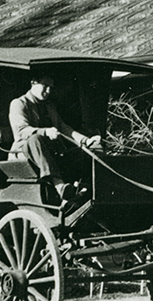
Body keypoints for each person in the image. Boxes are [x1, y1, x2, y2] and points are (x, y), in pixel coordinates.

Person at [9, 75, 101, 208]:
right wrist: (45, 131)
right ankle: (59, 186)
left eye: (50, 88)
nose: (48, 91)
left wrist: (86, 141)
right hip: (24, 150)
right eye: (45, 86)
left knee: (84, 152)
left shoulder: (49, 106)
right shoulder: (19, 103)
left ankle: (81, 190)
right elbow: (22, 131)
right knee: (36, 139)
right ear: (33, 82)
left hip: (49, 150)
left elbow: (63, 128)